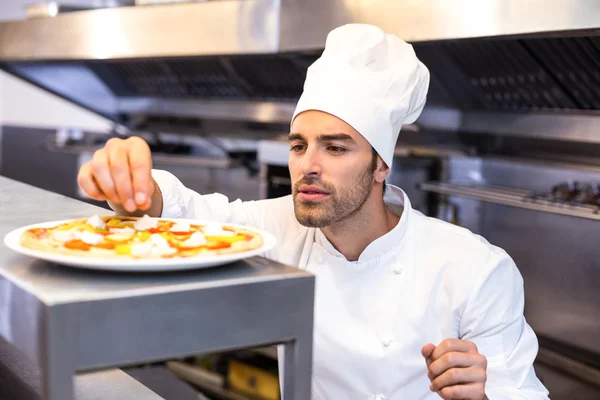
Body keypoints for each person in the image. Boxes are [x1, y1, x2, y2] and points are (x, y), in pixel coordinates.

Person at [77, 24, 550, 400]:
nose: (308, 166)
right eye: (299, 145)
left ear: (381, 164)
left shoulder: (475, 269)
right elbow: (187, 216)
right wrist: (135, 186)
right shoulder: (281, 232)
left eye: (336, 148)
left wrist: (481, 398)